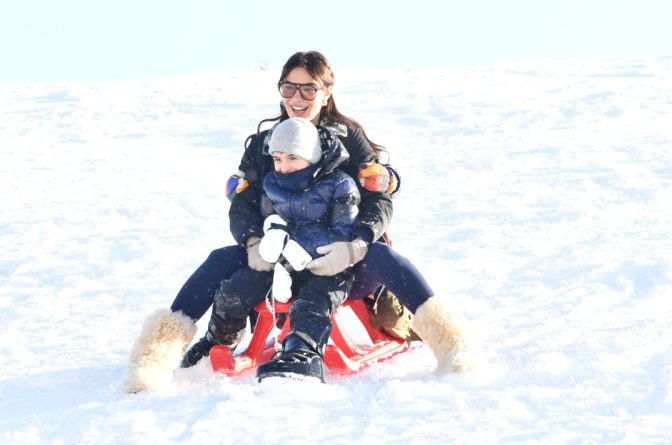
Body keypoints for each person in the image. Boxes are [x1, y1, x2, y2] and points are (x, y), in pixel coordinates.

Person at [122, 51, 478, 393]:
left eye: (308, 88)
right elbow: (243, 202)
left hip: (342, 258)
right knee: (220, 260)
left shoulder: (348, 141)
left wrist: (356, 245)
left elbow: (378, 197)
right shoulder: (265, 144)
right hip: (279, 257)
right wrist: (251, 241)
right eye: (289, 87)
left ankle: (453, 346)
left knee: (383, 256)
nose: (297, 96)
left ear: (326, 93)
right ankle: (153, 359)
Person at [185, 117, 360, 381]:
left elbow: (343, 230)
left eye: (292, 157)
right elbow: (268, 218)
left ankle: (302, 351)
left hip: (326, 264)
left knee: (312, 301)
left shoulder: (340, 184)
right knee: (237, 287)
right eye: (277, 159)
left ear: (312, 156)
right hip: (281, 265)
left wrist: (297, 247)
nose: (283, 166)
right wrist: (267, 240)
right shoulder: (272, 182)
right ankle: (219, 339)